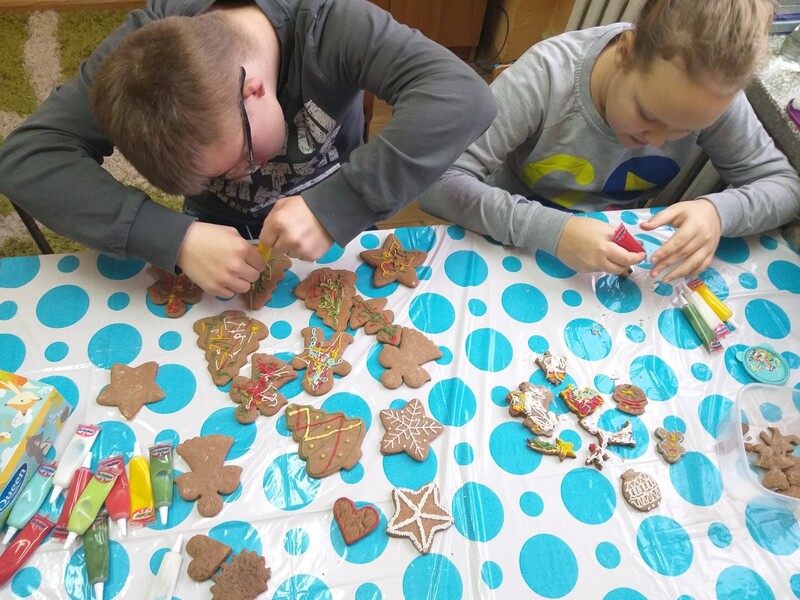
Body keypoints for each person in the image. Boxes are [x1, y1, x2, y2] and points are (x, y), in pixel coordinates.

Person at [0, 0, 496, 297]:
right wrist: (176, 238)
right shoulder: (139, 57)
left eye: (243, 159)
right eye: (215, 176)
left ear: (253, 90)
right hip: (214, 236)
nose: (241, 176)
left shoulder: (334, 22)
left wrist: (342, 204)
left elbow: (464, 97)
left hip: (337, 221)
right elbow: (25, 156)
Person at [417, 0, 800, 282]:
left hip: (604, 261)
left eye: (684, 130)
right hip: (507, 237)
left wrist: (718, 212)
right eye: (648, 114)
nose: (657, 139)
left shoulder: (710, 96)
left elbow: (785, 187)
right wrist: (554, 230)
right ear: (625, 52)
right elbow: (437, 183)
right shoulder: (546, 77)